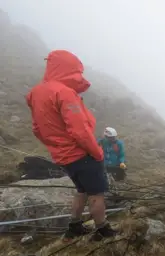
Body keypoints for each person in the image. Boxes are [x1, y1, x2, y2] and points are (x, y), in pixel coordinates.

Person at [25, 50, 116, 242]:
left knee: (81, 191)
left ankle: (74, 226)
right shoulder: (65, 93)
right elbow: (80, 130)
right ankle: (103, 230)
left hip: (64, 157)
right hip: (82, 154)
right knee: (96, 194)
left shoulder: (36, 92)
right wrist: (97, 153)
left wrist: (56, 147)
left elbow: (37, 129)